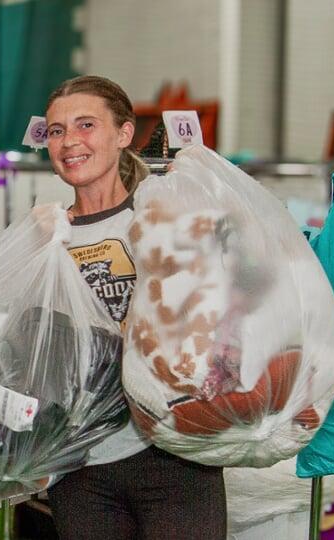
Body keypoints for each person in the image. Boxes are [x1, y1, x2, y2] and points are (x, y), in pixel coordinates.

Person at [40, 75, 227, 539]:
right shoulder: (42, 240)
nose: (70, 142)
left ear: (124, 134)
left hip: (175, 456)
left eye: (86, 125)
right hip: (82, 464)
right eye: (57, 131)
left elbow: (212, 327)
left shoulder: (161, 222)